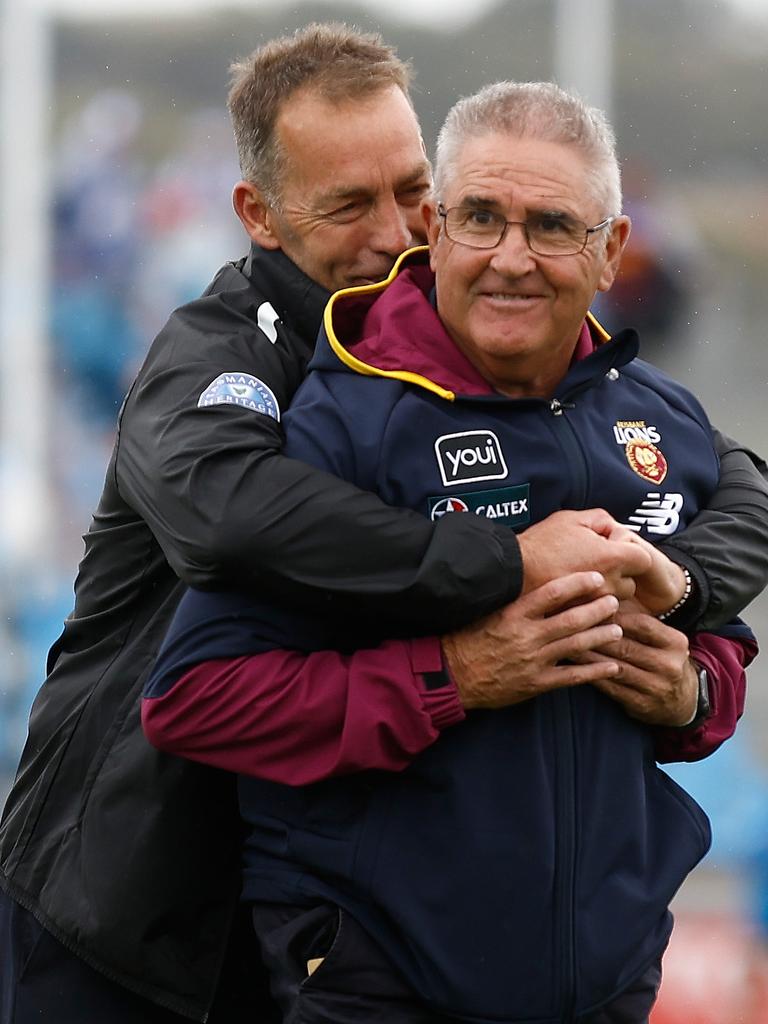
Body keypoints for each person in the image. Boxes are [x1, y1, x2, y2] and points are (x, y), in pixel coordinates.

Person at [0, 25, 766, 1024]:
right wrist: (498, 579)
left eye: (412, 192)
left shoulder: (530, 372)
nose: (397, 231)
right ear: (259, 215)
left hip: (307, 912)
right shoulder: (229, 357)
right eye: (349, 204)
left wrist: (686, 629)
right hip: (121, 901)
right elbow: (228, 524)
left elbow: (734, 482)